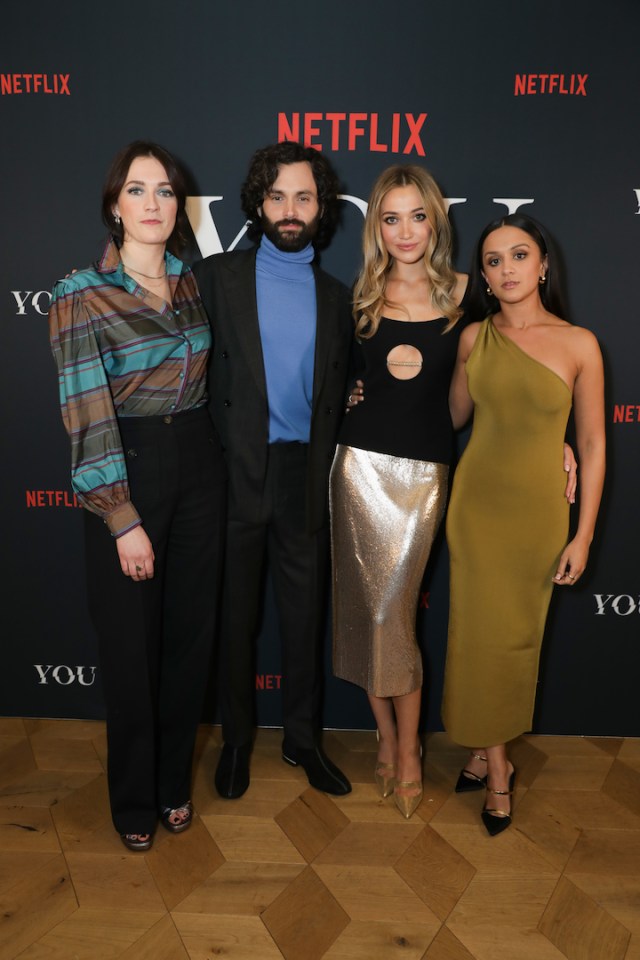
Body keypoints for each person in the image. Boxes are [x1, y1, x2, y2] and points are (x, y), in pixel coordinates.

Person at [48, 141, 226, 851]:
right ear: (114, 206)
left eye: (164, 190)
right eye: (137, 190)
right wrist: (122, 518)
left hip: (201, 464)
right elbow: (85, 410)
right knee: (131, 649)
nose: (153, 203)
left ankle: (172, 784)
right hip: (128, 465)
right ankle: (131, 801)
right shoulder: (79, 297)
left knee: (189, 642)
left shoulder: (193, 284)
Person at [193, 141, 353, 799]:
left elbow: (359, 385)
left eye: (304, 197)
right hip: (234, 472)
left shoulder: (339, 298)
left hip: (303, 477)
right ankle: (234, 742)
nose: (291, 210)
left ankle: (302, 739)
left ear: (322, 209)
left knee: (304, 615)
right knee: (235, 618)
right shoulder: (216, 278)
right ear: (259, 204)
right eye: (278, 196)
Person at [443, 214, 605, 835]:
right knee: (474, 637)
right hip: (476, 509)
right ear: (481, 275)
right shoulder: (472, 338)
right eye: (492, 260)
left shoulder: (579, 343)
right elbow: (456, 415)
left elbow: (591, 445)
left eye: (519, 255)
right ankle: (501, 768)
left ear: (542, 265)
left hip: (539, 515)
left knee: (514, 644)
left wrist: (583, 533)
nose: (506, 269)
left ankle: (485, 751)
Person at [331, 165, 468, 818]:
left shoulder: (472, 296)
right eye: (391, 217)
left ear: (435, 220)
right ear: (376, 227)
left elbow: (488, 391)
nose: (406, 230)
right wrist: (346, 395)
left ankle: (411, 749)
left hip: (423, 479)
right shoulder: (356, 300)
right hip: (357, 470)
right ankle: (386, 739)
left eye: (417, 216)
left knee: (396, 616)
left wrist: (555, 436)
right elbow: (332, 383)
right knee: (365, 614)